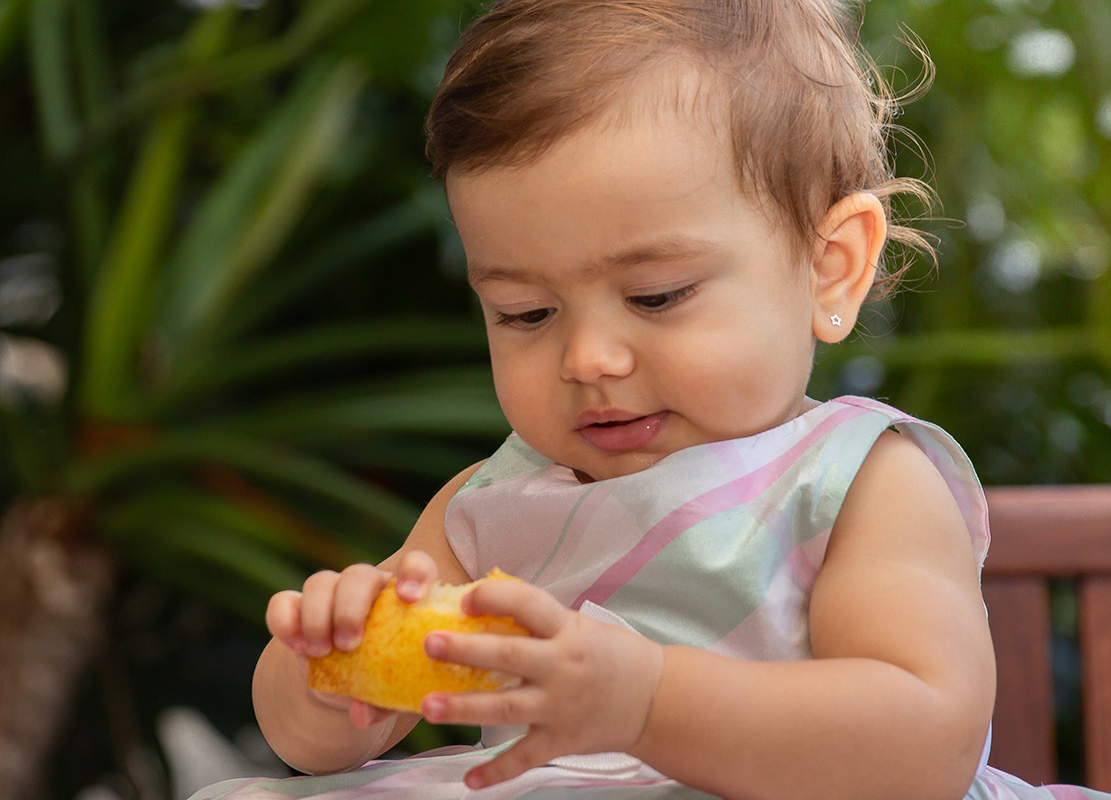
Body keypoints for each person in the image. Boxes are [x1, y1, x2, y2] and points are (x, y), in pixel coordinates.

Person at [193, 1, 1111, 798]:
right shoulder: (491, 506)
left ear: (831, 267)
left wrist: (646, 703)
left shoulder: (856, 483)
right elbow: (317, 744)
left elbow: (924, 747)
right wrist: (328, 668)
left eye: (657, 295)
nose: (588, 356)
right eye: (525, 312)